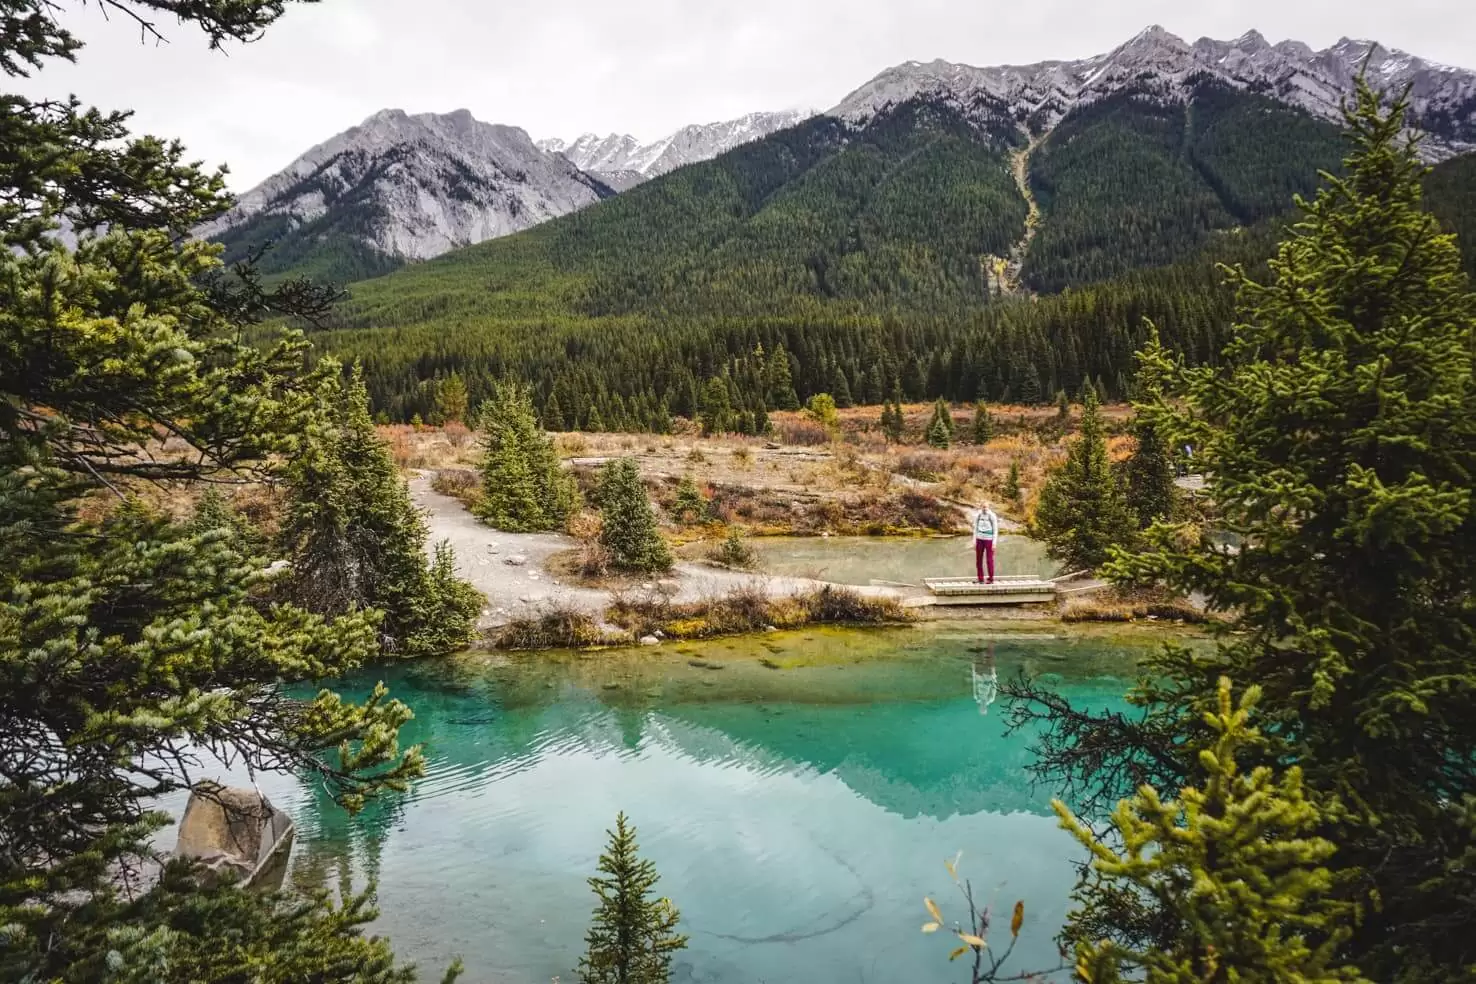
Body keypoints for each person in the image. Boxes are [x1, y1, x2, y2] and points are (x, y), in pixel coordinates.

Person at [972, 499, 998, 584]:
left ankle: (990, 579)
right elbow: (975, 528)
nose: (984, 508)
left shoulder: (992, 516)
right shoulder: (978, 515)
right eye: (983, 507)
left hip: (989, 540)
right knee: (978, 560)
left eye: (986, 507)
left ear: (988, 507)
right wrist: (974, 541)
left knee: (989, 560)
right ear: (981, 507)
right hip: (979, 539)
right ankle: (980, 578)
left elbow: (995, 530)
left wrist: (994, 543)